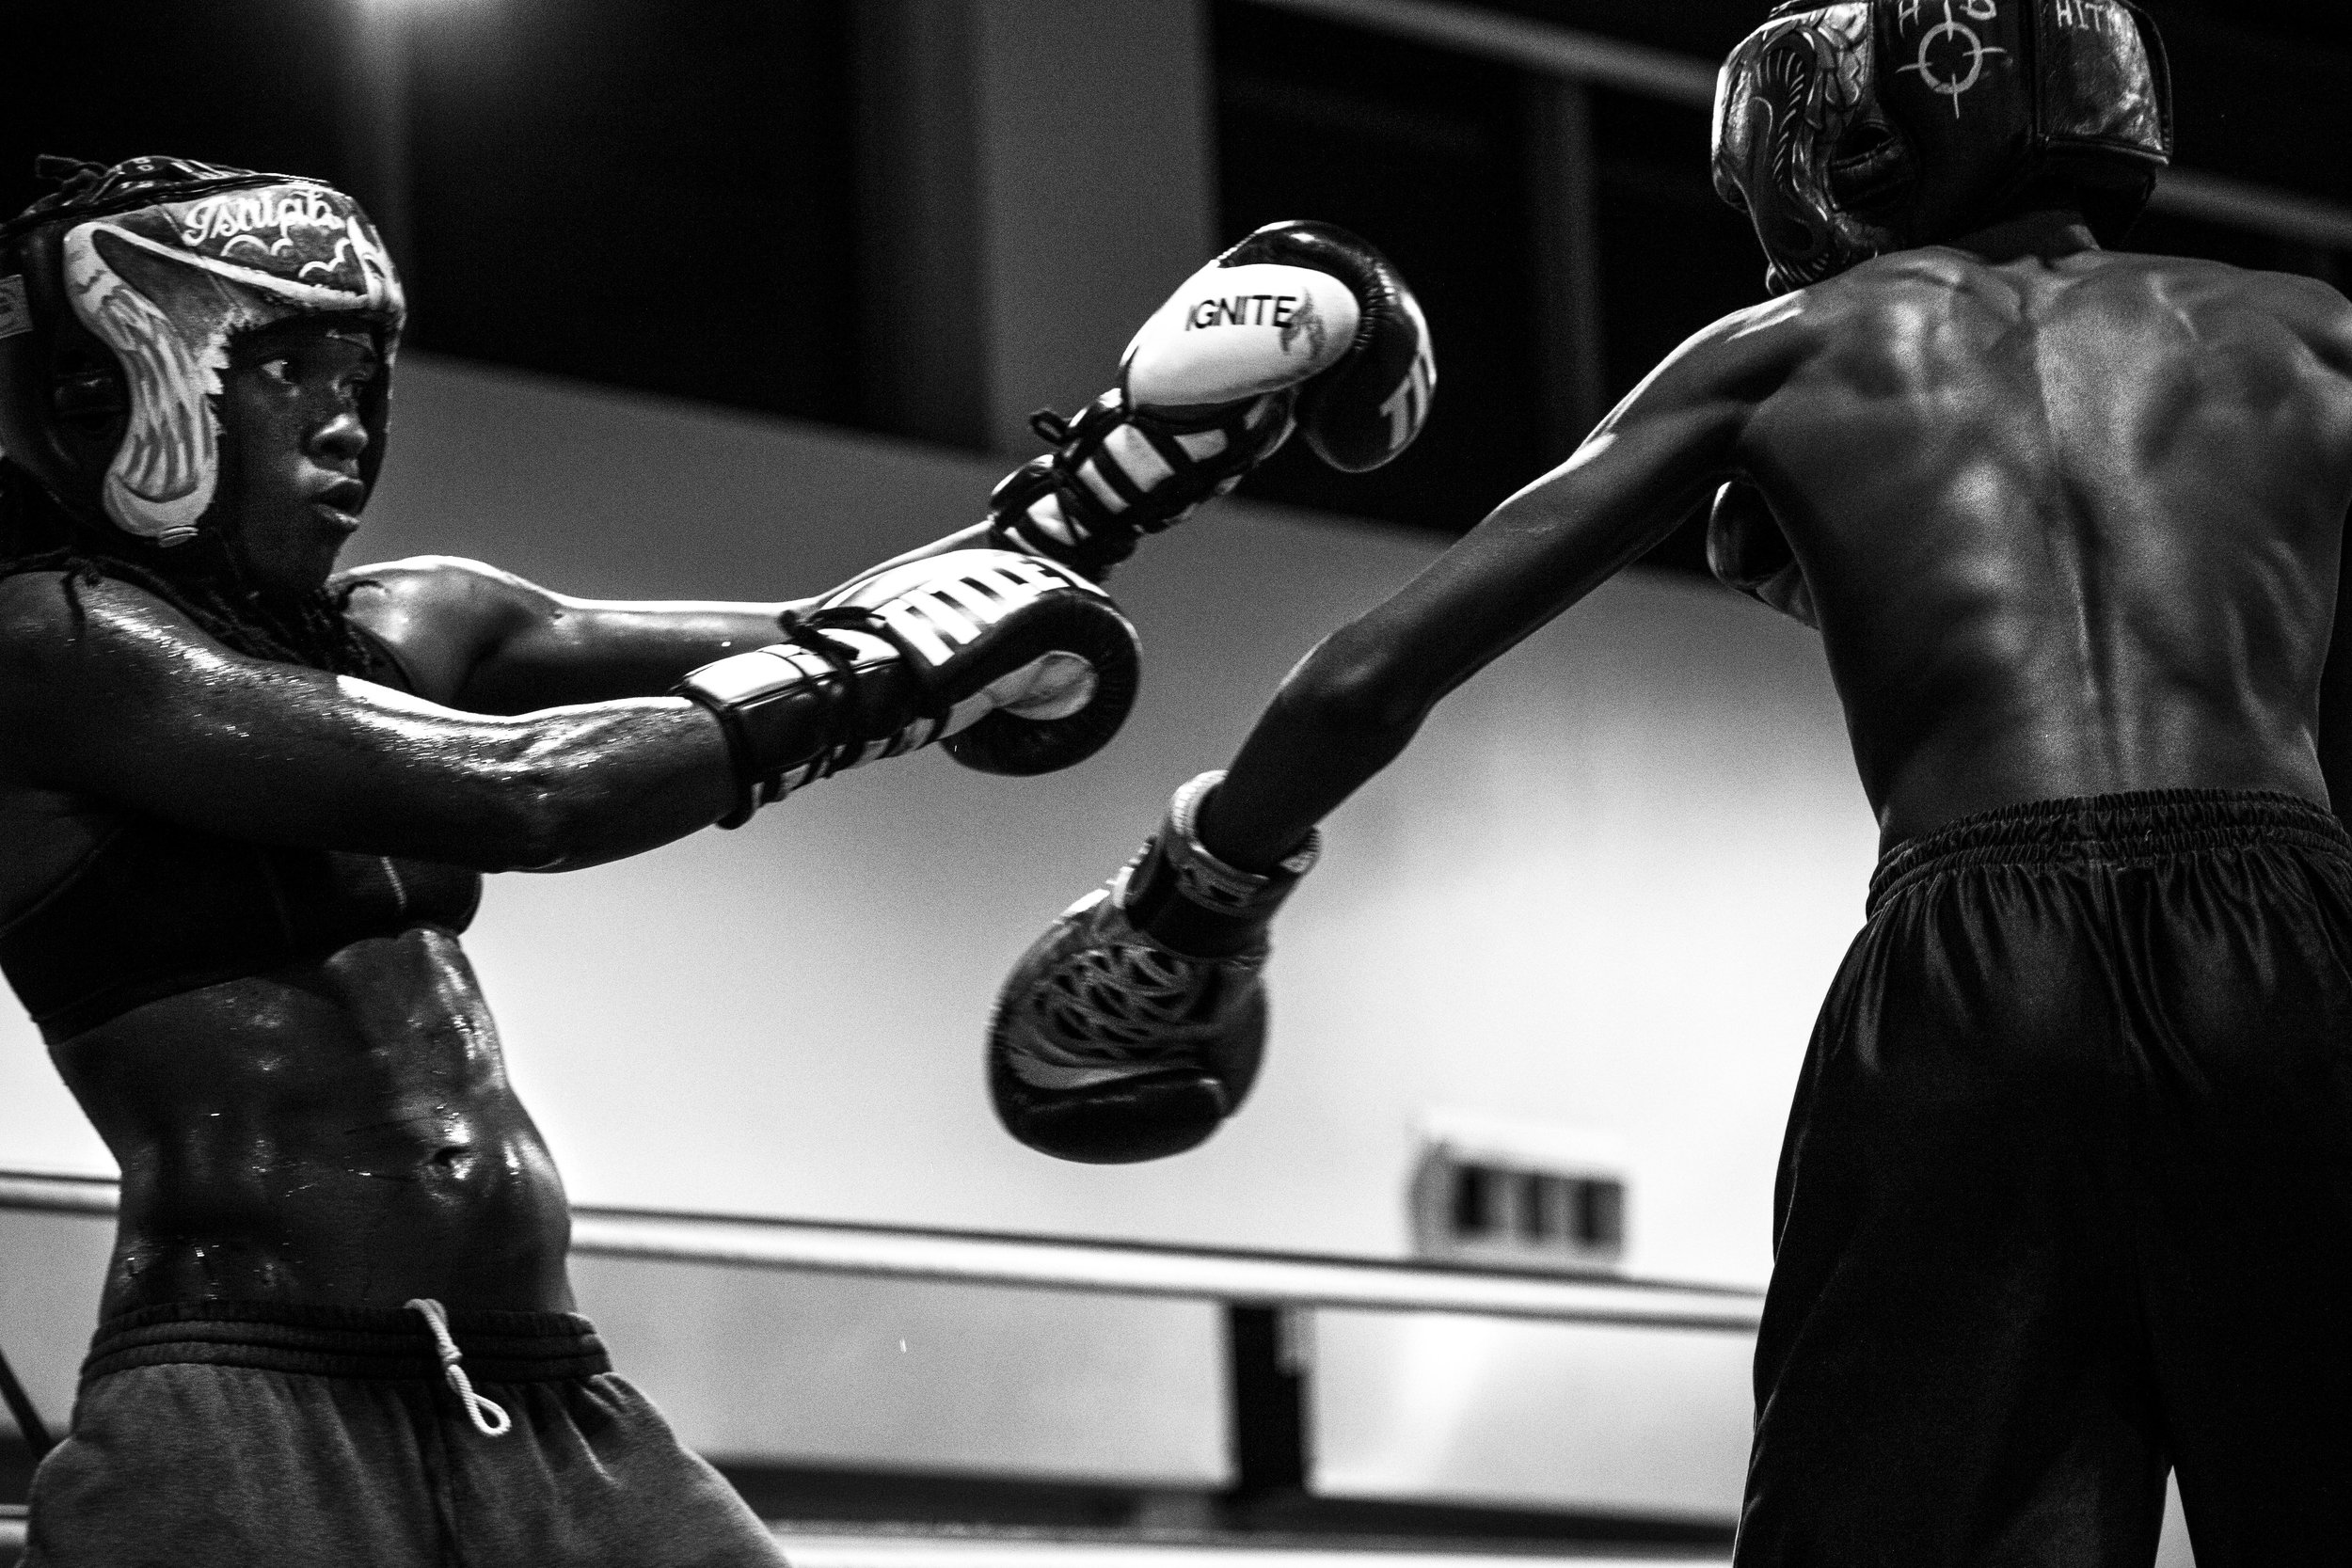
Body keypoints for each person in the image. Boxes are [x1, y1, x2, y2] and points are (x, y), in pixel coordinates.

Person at [988, 1, 2352, 1561]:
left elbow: (1373, 672)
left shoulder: (1800, 349)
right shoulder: (2311, 332)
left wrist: (1202, 888)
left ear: (1889, 132)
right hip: (2293, 952)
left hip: (1982, 960)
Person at [0, 154, 1431, 1565]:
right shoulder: (52, 650)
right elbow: (529, 794)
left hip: (542, 1387)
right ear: (117, 383)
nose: (350, 417)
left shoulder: (420, 626)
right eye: (287, 364)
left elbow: (834, 634)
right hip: (243, 1394)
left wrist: (1106, 495)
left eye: (361, 369)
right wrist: (888, 680)